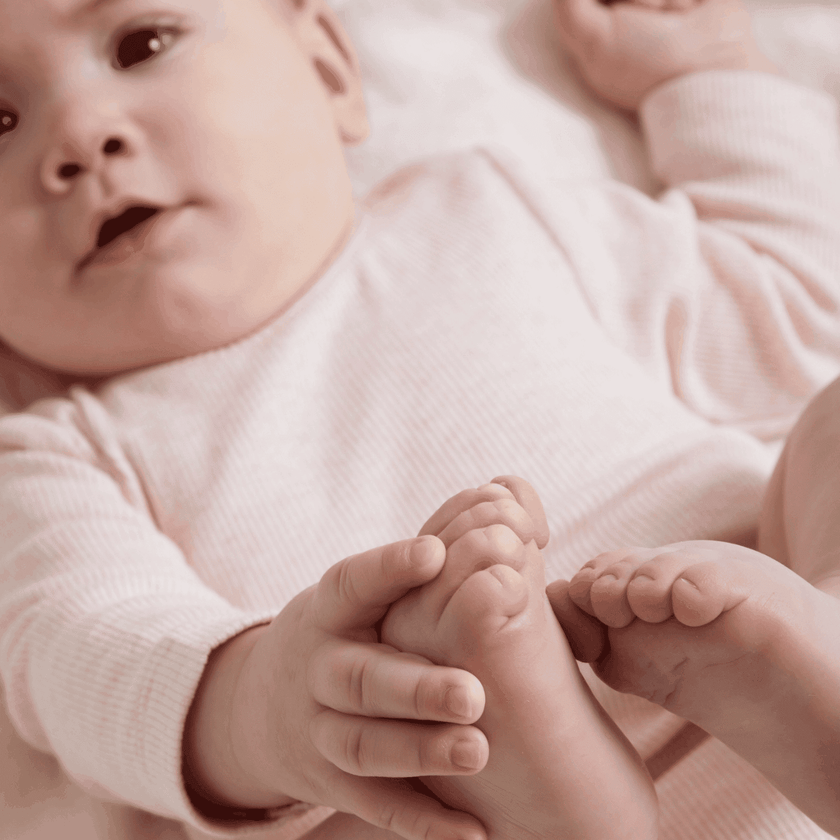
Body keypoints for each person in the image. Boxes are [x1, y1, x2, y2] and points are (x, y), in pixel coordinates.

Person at [0, 0, 838, 837]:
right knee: (400, 748)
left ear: (328, 68)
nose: (78, 138)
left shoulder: (492, 211)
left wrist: (704, 73)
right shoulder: (54, 456)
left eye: (141, 43)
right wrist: (266, 715)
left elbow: (800, 315)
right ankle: (551, 795)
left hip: (742, 624)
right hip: (443, 791)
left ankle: (822, 658)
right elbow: (80, 650)